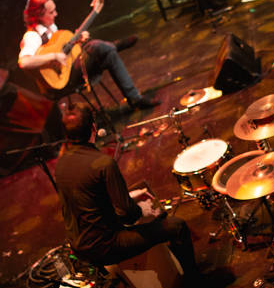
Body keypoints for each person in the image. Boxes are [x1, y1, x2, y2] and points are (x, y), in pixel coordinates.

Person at [55, 103, 197, 277]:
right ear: (94, 127)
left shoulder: (61, 163)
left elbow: (87, 200)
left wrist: (125, 200)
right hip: (106, 245)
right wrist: (140, 209)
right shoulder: (103, 163)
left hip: (78, 245)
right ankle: (194, 282)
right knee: (176, 226)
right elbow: (128, 214)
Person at [18, 0, 158, 109]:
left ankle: (135, 99)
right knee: (95, 46)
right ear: (38, 15)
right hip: (60, 83)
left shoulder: (52, 27)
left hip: (70, 69)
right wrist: (54, 56)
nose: (56, 14)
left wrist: (77, 40)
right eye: (51, 12)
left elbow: (66, 50)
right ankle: (116, 45)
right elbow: (24, 62)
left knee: (107, 54)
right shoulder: (32, 36)